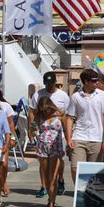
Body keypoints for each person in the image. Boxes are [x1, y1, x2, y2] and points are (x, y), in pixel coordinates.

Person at [64, 69, 104, 181]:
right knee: (75, 168)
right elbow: (69, 118)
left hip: (97, 138)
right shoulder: (75, 96)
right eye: (94, 80)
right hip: (79, 137)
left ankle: (91, 193)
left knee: (94, 171)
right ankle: (79, 192)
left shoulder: (103, 96)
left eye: (97, 80)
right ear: (86, 82)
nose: (97, 83)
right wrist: (69, 138)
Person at [28, 71, 70, 199]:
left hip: (58, 134)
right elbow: (32, 112)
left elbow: (67, 116)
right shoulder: (38, 94)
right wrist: (31, 129)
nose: (49, 86)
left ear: (55, 82)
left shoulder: (63, 96)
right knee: (43, 162)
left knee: (59, 161)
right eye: (47, 84)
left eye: (52, 83)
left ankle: (60, 180)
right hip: (43, 132)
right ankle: (44, 186)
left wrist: (69, 138)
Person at [33, 97, 66, 207]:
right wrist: (34, 131)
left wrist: (68, 145)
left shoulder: (60, 115)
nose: (45, 112)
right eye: (43, 110)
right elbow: (33, 127)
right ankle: (49, 198)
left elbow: (67, 131)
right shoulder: (39, 116)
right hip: (42, 147)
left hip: (56, 147)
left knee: (53, 176)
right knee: (46, 175)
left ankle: (52, 202)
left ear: (50, 106)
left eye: (47, 109)